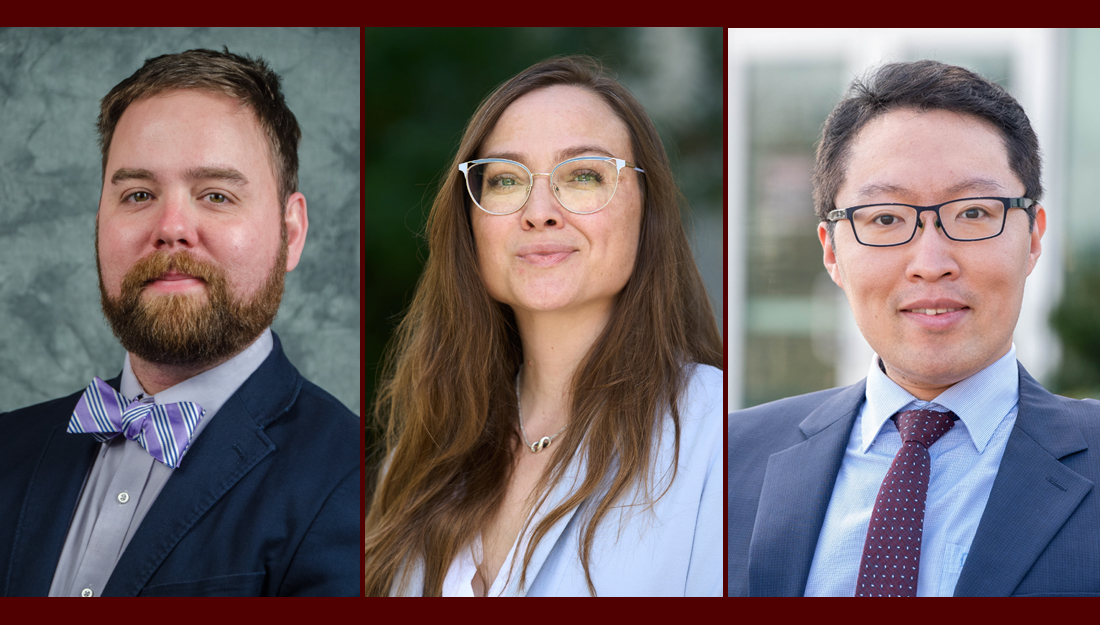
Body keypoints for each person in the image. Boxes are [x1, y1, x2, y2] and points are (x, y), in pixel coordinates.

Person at [727, 59, 1100, 597]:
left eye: (974, 213)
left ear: (1033, 237)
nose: (931, 261)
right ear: (832, 250)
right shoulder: (733, 459)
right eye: (885, 218)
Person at [0, 48, 359, 597]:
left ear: (292, 231)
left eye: (216, 194)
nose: (171, 228)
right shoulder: (9, 449)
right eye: (138, 194)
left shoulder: (355, 481)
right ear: (99, 220)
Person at [363, 55, 723, 597]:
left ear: (646, 211)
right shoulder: (419, 459)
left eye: (582, 175)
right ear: (471, 222)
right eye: (506, 180)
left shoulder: (715, 430)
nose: (539, 211)